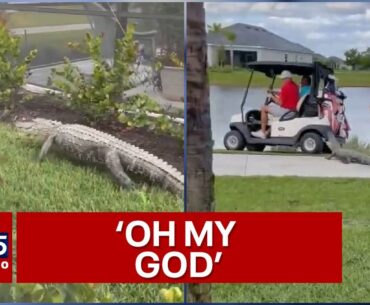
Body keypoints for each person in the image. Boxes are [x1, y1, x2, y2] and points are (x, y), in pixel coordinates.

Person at [251, 70, 299, 139]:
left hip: (286, 111)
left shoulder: (285, 87)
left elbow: (280, 103)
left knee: (263, 108)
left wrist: (271, 96)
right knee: (271, 106)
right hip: (292, 110)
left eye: (283, 79)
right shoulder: (295, 86)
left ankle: (262, 132)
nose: (283, 81)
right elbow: (284, 94)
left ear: (287, 78)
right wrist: (273, 92)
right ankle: (267, 132)